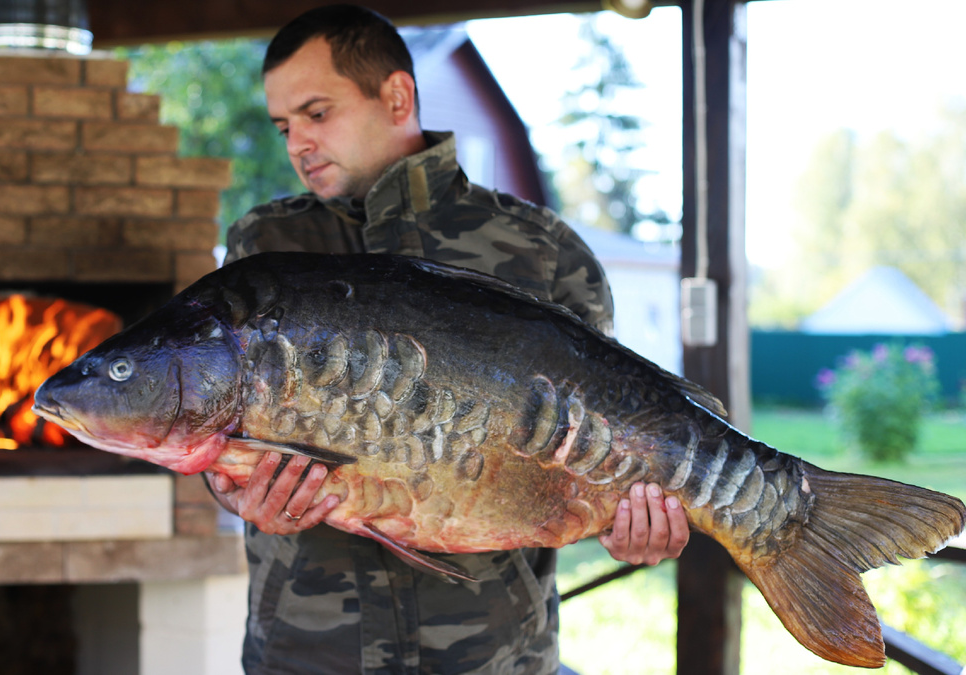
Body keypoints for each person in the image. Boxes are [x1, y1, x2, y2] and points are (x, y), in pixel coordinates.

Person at [205, 5, 690, 673]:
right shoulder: (267, 246)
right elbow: (223, 422)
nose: (298, 144)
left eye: (317, 114)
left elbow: (608, 447)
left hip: (494, 656)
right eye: (284, 125)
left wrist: (632, 525)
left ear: (397, 96)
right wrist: (234, 492)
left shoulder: (543, 252)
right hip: (307, 651)